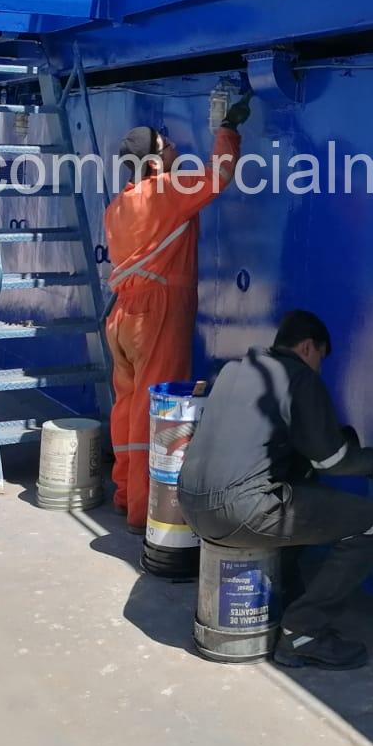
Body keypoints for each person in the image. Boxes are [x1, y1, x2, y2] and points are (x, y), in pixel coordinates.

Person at [178, 309, 373, 671]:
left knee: (299, 485)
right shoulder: (298, 376)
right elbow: (331, 461)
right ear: (309, 347)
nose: (319, 370)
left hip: (188, 506)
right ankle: (304, 633)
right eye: (321, 360)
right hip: (239, 511)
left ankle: (284, 593)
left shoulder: (233, 371)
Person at [104, 98, 248, 532]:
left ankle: (125, 491)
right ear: (152, 162)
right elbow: (220, 174)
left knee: (128, 406)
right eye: (166, 146)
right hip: (157, 313)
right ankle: (142, 513)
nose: (173, 149)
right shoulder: (167, 192)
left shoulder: (117, 206)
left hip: (122, 317)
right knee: (159, 410)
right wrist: (227, 128)